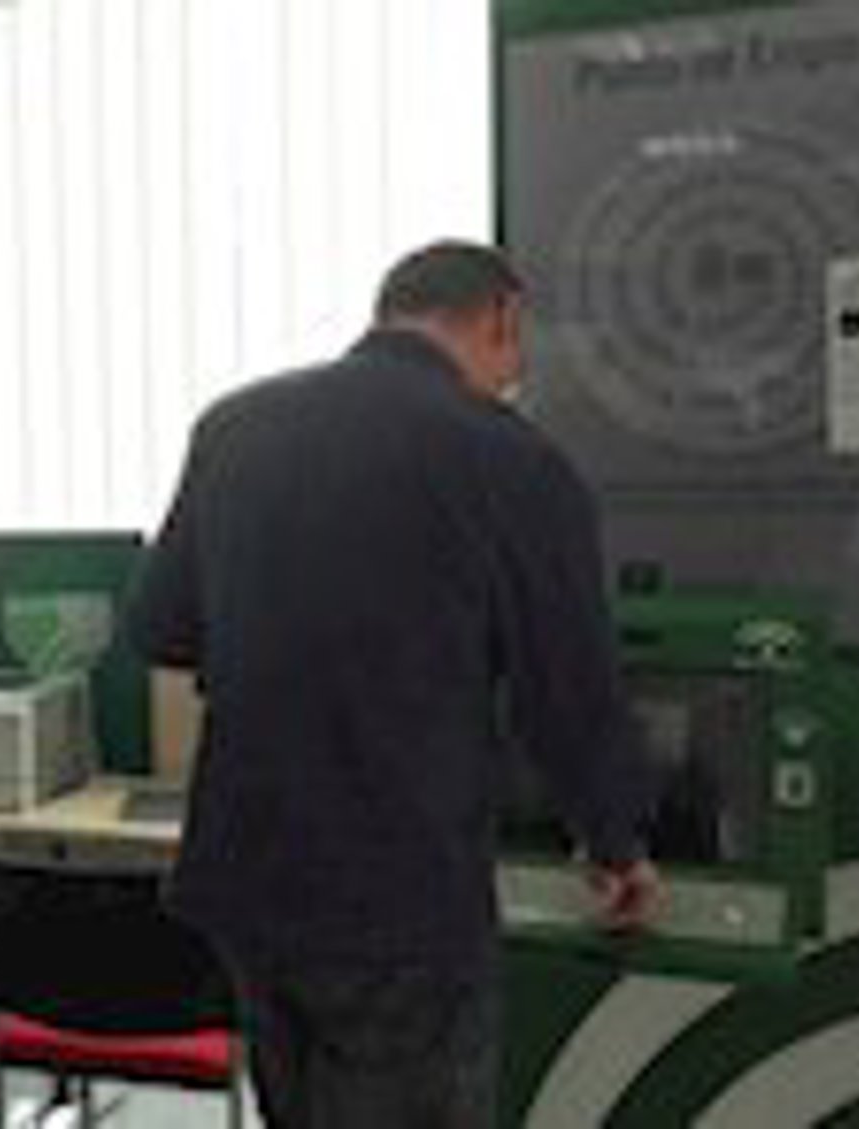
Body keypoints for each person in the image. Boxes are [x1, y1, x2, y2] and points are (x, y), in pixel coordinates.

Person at [130, 241, 660, 1128]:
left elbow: (162, 630)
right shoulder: (510, 459)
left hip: (249, 877)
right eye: (517, 355)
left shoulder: (237, 426)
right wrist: (613, 842)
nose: (514, 378)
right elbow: (567, 687)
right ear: (502, 318)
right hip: (399, 892)